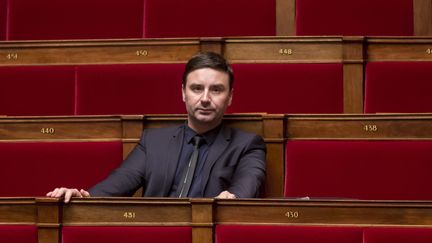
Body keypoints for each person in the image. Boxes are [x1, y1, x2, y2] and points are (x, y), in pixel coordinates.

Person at [46, 52, 266, 202]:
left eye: (216, 90)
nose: (205, 98)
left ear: (230, 97)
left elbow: (247, 185)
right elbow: (114, 188)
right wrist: (81, 197)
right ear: (183, 92)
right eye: (197, 88)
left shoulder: (247, 145)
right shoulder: (153, 142)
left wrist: (234, 197)